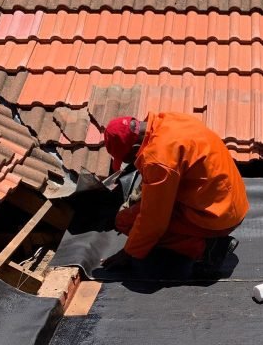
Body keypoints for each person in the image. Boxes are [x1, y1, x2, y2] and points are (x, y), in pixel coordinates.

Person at [100, 113, 249, 273]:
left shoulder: (158, 158)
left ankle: (208, 249)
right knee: (140, 213)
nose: (131, 163)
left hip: (218, 216)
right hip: (233, 201)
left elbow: (154, 221)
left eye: (128, 159)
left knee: (126, 221)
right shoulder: (169, 120)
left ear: (136, 148)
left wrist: (128, 253)